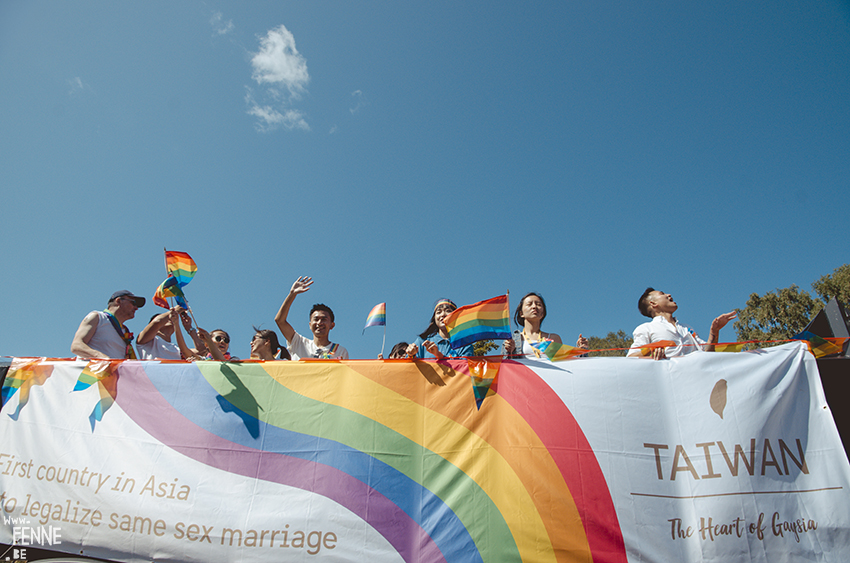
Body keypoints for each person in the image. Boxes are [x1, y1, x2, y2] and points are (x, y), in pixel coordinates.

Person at [628, 288, 737, 359]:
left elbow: (707, 355)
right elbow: (631, 358)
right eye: (662, 294)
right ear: (653, 303)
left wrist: (714, 331)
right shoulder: (646, 328)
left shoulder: (687, 328)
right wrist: (653, 356)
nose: (669, 294)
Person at [275, 277, 349, 360]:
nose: (319, 323)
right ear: (310, 325)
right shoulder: (299, 343)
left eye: (324, 319)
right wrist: (292, 294)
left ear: (332, 325)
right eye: (316, 319)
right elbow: (280, 321)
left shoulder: (340, 351)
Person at [503, 292, 589, 359]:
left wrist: (582, 350)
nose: (534, 307)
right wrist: (509, 352)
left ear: (543, 313)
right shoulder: (512, 340)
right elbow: (504, 367)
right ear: (521, 313)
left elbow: (566, 365)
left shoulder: (554, 338)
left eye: (538, 304)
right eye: (529, 304)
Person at [71, 290, 145, 359]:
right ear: (118, 301)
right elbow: (76, 346)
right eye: (133, 303)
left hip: (112, 372)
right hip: (90, 372)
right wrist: (102, 358)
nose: (136, 308)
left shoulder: (125, 331)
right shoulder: (98, 317)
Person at [405, 299, 474, 359]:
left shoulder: (465, 345)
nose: (443, 314)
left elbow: (465, 370)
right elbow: (408, 368)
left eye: (448, 311)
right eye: (438, 312)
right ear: (434, 318)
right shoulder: (422, 341)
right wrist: (411, 355)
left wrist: (440, 357)